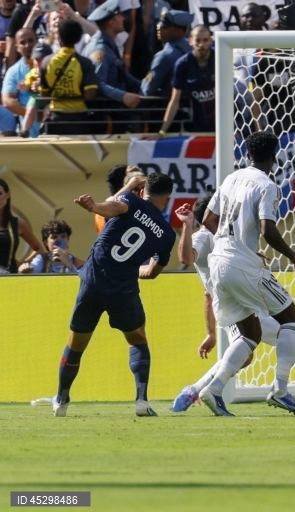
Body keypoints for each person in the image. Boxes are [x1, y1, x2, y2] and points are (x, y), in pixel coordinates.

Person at [171, 195, 295, 413]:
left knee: (257, 351)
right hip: (236, 305)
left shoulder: (227, 240)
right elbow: (187, 258)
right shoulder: (204, 238)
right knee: (293, 334)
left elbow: (207, 293)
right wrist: (186, 226)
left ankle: (193, 391)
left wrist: (211, 333)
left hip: (242, 303)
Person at [196, 131, 295, 417]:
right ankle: (281, 390)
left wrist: (227, 242)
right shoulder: (267, 184)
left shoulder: (231, 178)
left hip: (218, 263)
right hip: (243, 265)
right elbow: (267, 229)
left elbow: (208, 219)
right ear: (275, 155)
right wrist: (292, 255)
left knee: (249, 334)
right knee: (292, 320)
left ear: (247, 153)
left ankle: (213, 389)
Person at [52, 173, 177, 417]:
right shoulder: (166, 234)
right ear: (168, 198)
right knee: (137, 339)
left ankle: (61, 399)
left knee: (76, 344)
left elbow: (115, 206)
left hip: (93, 282)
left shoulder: (131, 200)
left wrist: (96, 206)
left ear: (143, 190)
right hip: (123, 289)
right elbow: (152, 273)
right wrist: (132, 268)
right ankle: (141, 401)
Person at [82, 0, 142, 132]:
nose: (123, 18)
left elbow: (123, 75)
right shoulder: (100, 50)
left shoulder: (110, 44)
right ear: (111, 22)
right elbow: (98, 84)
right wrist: (123, 96)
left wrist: (144, 87)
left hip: (115, 112)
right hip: (105, 118)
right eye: (119, 15)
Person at [38, 18, 98, 135]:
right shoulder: (85, 63)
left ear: (59, 37)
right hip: (79, 119)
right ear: (79, 38)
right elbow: (90, 95)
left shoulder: (46, 62)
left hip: (55, 118)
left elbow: (44, 93)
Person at [158, 25, 214, 135]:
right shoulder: (183, 64)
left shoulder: (220, 58)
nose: (201, 44)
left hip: (221, 123)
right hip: (195, 125)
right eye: (197, 40)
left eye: (205, 40)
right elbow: (174, 101)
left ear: (211, 41)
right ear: (190, 41)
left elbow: (230, 96)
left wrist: (232, 127)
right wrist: (162, 131)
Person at [140, 9, 193, 99]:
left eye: (165, 26)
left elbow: (147, 89)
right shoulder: (192, 48)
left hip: (165, 107)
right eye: (160, 23)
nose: (159, 27)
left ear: (179, 31)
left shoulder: (165, 56)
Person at [0, 177, 47, 274]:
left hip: (8, 278)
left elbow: (38, 249)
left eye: (0, 194)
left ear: (7, 195)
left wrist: (22, 263)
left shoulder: (18, 224)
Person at [18, 219, 83, 273]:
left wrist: (68, 264)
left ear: (68, 239)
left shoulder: (76, 262)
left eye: (63, 237)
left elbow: (84, 282)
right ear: (46, 242)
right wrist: (24, 270)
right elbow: (31, 272)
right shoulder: (42, 259)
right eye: (54, 237)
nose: (59, 241)